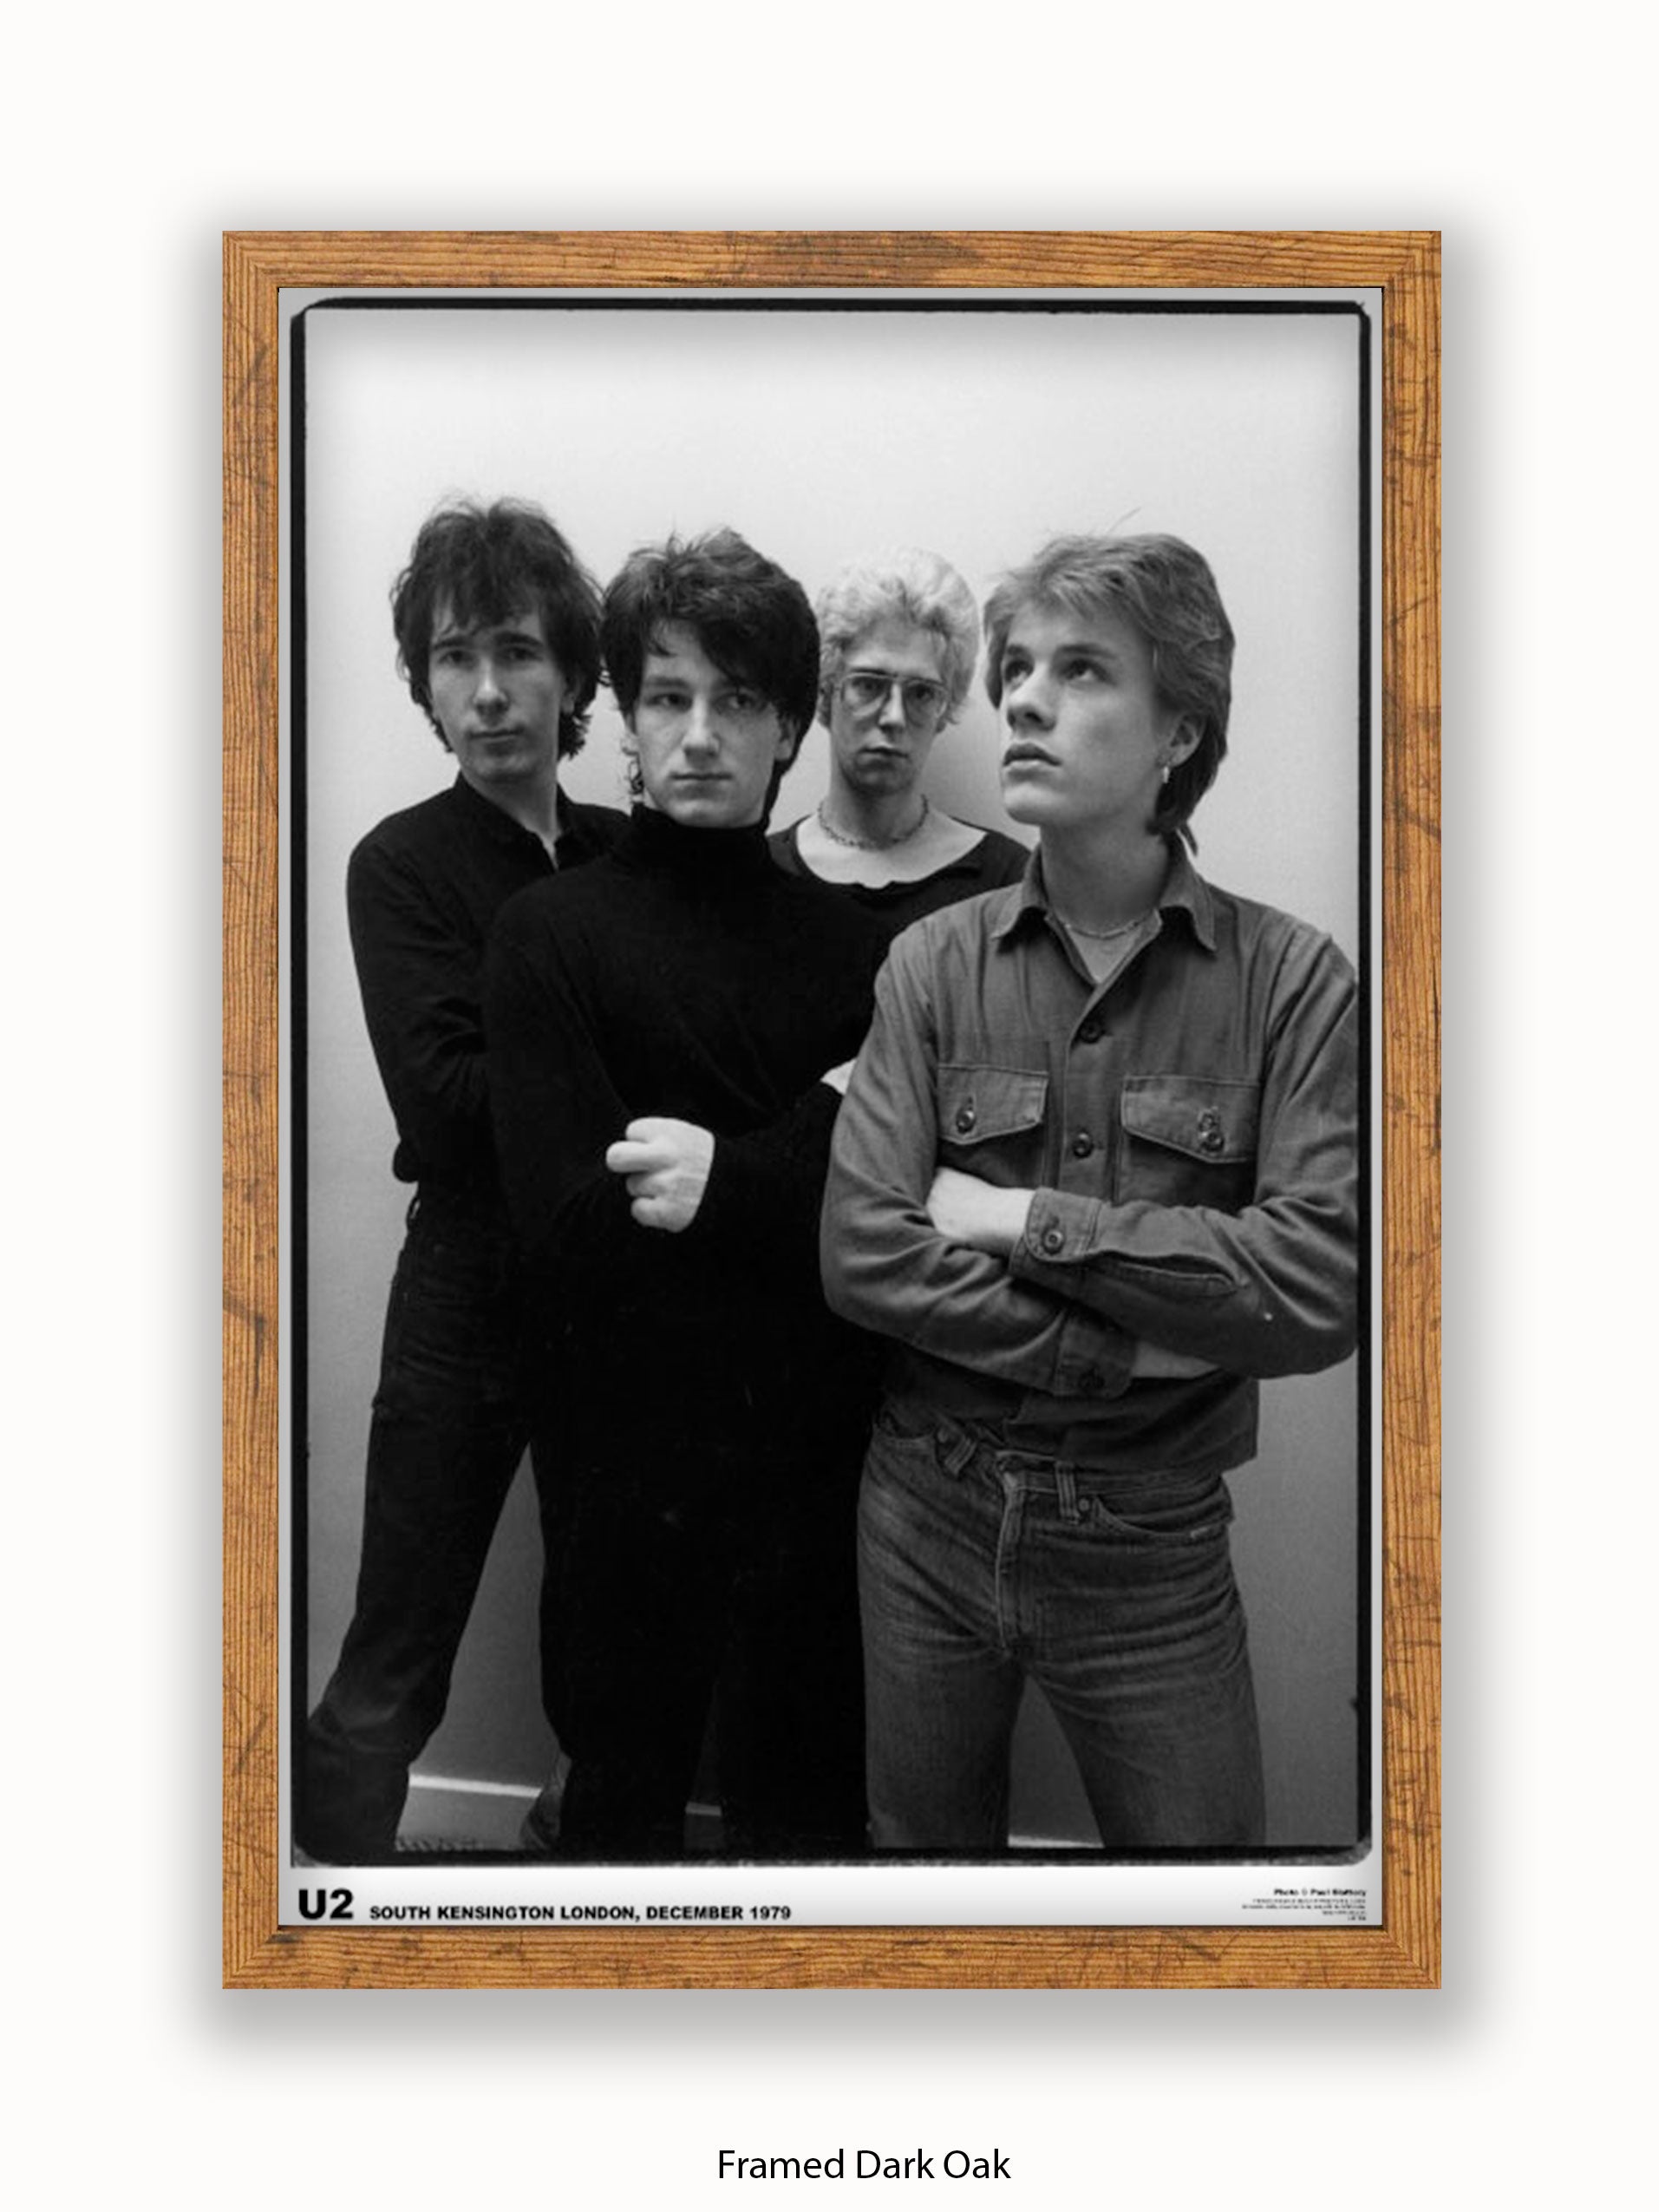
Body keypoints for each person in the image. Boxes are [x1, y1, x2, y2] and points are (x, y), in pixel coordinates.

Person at [820, 533, 1359, 1852]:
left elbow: (1314, 1289)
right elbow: (863, 1253)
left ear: (1179, 730)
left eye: (1079, 670)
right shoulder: (930, 964)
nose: (1022, 699)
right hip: (925, 1507)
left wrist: (1014, 1218)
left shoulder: (1292, 982)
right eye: (1014, 668)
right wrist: (1128, 1342)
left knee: (1201, 1909)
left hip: (1150, 1539)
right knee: (924, 1885)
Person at [486, 528, 886, 1860]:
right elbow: (568, 1224)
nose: (701, 734)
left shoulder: (862, 954)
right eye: (668, 696)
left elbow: (878, 1221)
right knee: (618, 1806)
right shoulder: (547, 933)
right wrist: (804, 1141)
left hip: (810, 1456)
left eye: (739, 698)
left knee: (805, 1810)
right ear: (628, 718)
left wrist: (724, 1177)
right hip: (617, 1451)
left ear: (790, 729)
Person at [299, 499, 625, 1865]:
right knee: (396, 1649)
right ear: (425, 687)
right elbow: (443, 1109)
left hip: (619, 1291)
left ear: (574, 677)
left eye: (517, 651)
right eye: (453, 657)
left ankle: (585, 1914)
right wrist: (630, 1085)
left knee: (615, 1638)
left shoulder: (626, 855)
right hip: (468, 1288)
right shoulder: (400, 862)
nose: (487, 689)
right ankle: (318, 1915)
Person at [769, 547, 1027, 940]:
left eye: (921, 693)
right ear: (825, 691)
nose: (893, 717)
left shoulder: (1005, 881)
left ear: (946, 708)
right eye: (868, 685)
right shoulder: (765, 872)